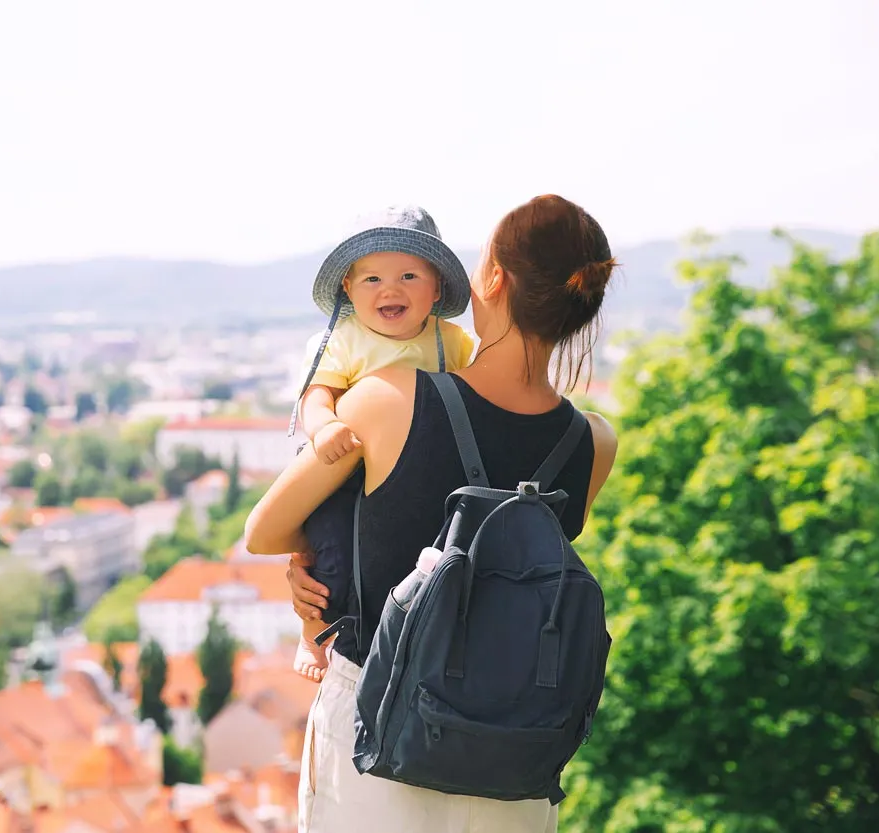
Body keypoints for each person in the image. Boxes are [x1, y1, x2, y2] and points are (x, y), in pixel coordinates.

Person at [245, 194, 620, 833]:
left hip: (379, 731)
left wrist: (314, 561)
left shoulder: (388, 397)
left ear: (493, 280)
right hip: (513, 756)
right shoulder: (592, 442)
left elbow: (262, 532)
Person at [289, 206, 475, 682]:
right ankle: (315, 631)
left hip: (412, 472)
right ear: (348, 289)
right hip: (342, 467)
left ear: (435, 289)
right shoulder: (342, 339)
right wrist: (325, 426)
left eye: (409, 275)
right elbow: (316, 395)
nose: (390, 290)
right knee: (329, 548)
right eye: (371, 279)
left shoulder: (449, 342)